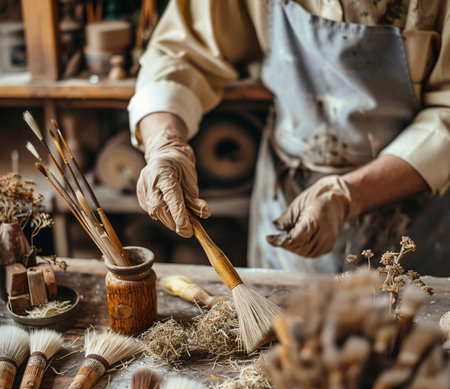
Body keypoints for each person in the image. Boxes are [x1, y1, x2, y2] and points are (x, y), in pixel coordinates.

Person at [128, 0, 450, 276]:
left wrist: (348, 194)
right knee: (283, 336)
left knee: (405, 336)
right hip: (286, 194)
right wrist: (164, 143)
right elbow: (179, 54)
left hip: (410, 208)